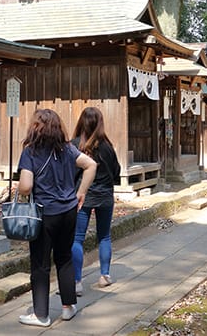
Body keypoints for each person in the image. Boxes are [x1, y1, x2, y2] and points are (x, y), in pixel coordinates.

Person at [17, 109, 97, 327]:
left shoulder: (30, 153)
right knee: (64, 258)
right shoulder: (67, 149)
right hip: (69, 211)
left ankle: (41, 314)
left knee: (41, 264)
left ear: (35, 128)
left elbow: (26, 187)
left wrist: (22, 186)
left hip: (45, 214)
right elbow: (91, 165)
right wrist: (81, 192)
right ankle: (68, 306)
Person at [70, 107, 121, 295]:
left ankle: (76, 282)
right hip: (105, 195)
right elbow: (116, 171)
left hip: (81, 196)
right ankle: (104, 275)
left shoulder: (74, 145)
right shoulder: (107, 147)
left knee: (77, 238)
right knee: (104, 236)